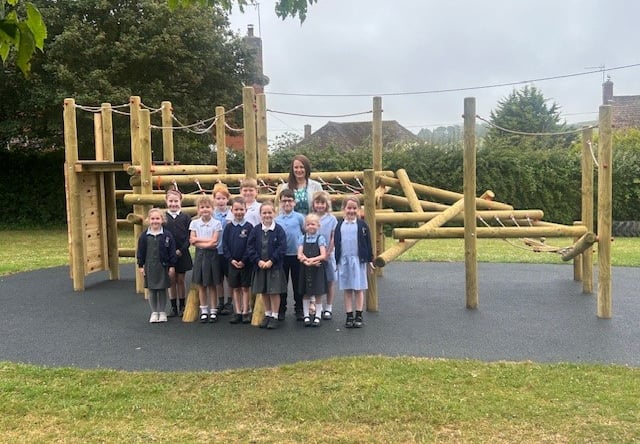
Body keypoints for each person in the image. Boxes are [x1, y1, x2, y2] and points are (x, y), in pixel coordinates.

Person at [334, 196, 374, 328]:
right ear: (344, 209)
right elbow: (336, 244)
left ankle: (359, 315)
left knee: (358, 289)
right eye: (348, 208)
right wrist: (336, 260)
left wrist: (369, 260)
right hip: (344, 261)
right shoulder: (339, 225)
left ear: (358, 209)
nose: (351, 211)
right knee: (347, 289)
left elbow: (368, 244)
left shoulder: (362, 226)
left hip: (358, 261)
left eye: (354, 208)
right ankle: (349, 315)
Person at [247, 200, 287, 330]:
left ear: (274, 213)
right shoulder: (256, 230)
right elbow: (250, 247)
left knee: (274, 292)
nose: (267, 215)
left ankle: (275, 316)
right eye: (264, 213)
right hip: (260, 266)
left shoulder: (279, 230)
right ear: (260, 214)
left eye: (269, 212)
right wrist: (258, 261)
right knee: (263, 291)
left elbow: (282, 248)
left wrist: (271, 261)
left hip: (274, 267)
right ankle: (268, 314)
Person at [136, 208, 177, 323]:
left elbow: (172, 251)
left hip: (163, 266)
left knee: (162, 289)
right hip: (149, 266)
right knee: (152, 290)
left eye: (157, 218)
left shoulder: (167, 235)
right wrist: (140, 265)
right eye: (152, 218)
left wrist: (172, 266)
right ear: (148, 220)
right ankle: (154, 312)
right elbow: (140, 251)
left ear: (162, 220)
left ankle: (162, 312)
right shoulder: (144, 236)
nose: (155, 221)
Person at [189, 195, 223, 323]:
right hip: (199, 256)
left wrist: (199, 240)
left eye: (207, 207)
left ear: (212, 208)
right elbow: (192, 241)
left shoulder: (217, 223)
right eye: (202, 207)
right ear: (198, 209)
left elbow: (214, 242)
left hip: (212, 256)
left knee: (212, 284)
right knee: (201, 285)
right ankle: (204, 310)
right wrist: (203, 242)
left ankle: (213, 310)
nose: (205, 210)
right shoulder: (194, 223)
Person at [223, 196, 254, 324]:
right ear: (231, 210)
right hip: (232, 263)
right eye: (236, 209)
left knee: (245, 288)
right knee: (235, 288)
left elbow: (250, 245)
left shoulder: (249, 227)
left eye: (241, 209)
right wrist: (231, 260)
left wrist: (244, 260)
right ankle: (237, 311)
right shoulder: (228, 227)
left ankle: (246, 311)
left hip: (245, 263)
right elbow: (224, 245)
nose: (239, 212)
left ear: (246, 210)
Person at [275, 188, 305, 321]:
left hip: (296, 255)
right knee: (282, 283)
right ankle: (281, 308)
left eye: (289, 200)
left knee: (298, 283)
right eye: (284, 201)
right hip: (282, 256)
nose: (287, 203)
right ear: (280, 202)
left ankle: (299, 308)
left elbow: (305, 233)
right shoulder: (277, 219)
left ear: (294, 202)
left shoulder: (299, 217)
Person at [163, 188, 193, 317]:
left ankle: (182, 305)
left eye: (176, 201)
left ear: (180, 201)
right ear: (166, 201)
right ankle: (173, 307)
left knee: (181, 279)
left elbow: (189, 236)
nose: (173, 204)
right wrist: (168, 252)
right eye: (170, 201)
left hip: (182, 252)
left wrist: (181, 250)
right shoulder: (163, 217)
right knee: (171, 280)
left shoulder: (186, 217)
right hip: (168, 254)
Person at [297, 213, 328, 327]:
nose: (311, 226)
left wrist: (312, 260)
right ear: (305, 226)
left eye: (313, 224)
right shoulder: (302, 238)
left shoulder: (320, 239)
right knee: (306, 292)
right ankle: (306, 315)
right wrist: (306, 261)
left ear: (318, 226)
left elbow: (323, 255)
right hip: (305, 269)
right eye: (308, 224)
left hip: (317, 269)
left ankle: (318, 316)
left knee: (318, 293)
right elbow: (299, 254)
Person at [312, 190, 338, 320]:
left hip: (328, 253)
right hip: (314, 254)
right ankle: (318, 305)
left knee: (329, 280)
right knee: (317, 280)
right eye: (317, 203)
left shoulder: (331, 219)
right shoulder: (311, 217)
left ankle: (329, 306)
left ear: (327, 204)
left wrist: (328, 252)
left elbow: (334, 236)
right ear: (314, 204)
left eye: (322, 203)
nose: (320, 205)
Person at [212, 183, 234, 316]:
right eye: (218, 198)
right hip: (215, 250)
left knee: (230, 278)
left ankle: (229, 302)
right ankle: (220, 301)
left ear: (227, 199)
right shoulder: (212, 214)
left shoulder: (231, 213)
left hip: (228, 251)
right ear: (214, 199)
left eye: (223, 198)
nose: (221, 201)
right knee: (218, 279)